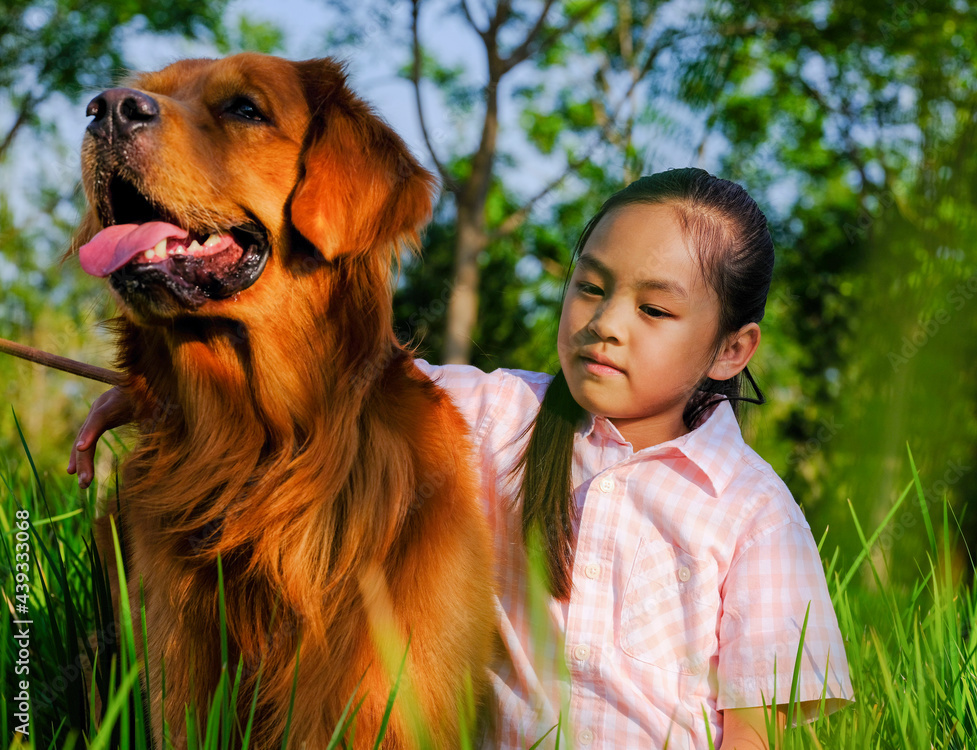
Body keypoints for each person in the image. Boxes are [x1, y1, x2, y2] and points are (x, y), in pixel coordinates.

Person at [69, 168, 853, 749]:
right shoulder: (500, 414)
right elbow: (326, 387)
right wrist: (153, 393)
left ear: (731, 348)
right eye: (590, 288)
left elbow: (754, 730)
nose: (606, 324)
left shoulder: (753, 512)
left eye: (653, 309)